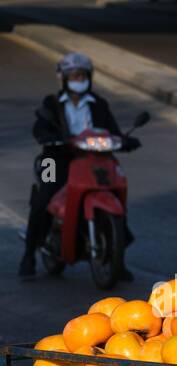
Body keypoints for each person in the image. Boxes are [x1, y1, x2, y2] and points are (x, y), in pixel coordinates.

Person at [19, 52, 137, 279]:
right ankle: (28, 256)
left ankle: (117, 258)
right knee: (45, 197)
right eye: (73, 75)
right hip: (55, 158)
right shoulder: (52, 104)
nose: (78, 79)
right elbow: (40, 127)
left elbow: (113, 131)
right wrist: (47, 137)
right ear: (63, 78)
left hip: (93, 158)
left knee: (115, 189)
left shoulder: (99, 104)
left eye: (82, 75)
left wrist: (126, 140)